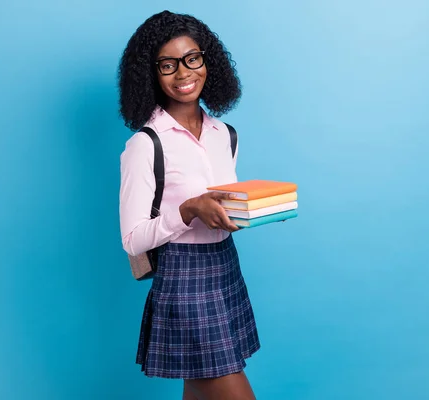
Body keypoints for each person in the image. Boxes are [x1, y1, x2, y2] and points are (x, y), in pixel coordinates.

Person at [117, 10, 260, 400]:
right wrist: (189, 209)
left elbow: (223, 202)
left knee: (198, 392)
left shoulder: (225, 135)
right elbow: (132, 240)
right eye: (168, 65)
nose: (184, 73)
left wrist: (243, 212)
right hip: (183, 280)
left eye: (192, 58)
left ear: (206, 60)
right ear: (152, 74)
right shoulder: (145, 145)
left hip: (225, 266)